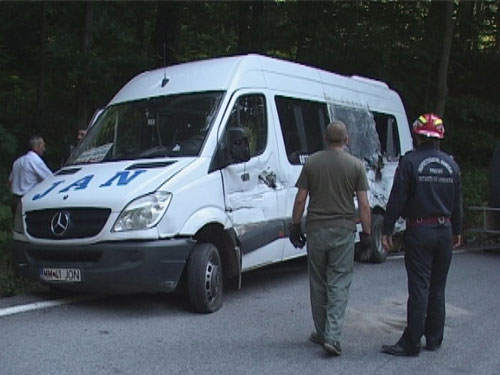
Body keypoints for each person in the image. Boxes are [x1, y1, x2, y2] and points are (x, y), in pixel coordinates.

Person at [381, 113, 462, 357]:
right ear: (439, 138)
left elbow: (397, 198)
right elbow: (457, 202)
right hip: (444, 230)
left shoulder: (410, 162)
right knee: (438, 287)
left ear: (417, 136)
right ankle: (435, 338)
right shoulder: (452, 165)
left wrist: (387, 229)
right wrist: (457, 230)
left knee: (419, 287)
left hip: (420, 230)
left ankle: (412, 342)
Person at [290, 120, 372, 356]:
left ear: (325, 139)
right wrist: (366, 234)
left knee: (318, 282)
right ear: (347, 140)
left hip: (316, 229)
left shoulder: (312, 163)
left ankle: (322, 331)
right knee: (338, 282)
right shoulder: (356, 166)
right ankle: (333, 336)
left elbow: (300, 199)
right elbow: (364, 205)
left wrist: (296, 226)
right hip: (344, 230)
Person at [9, 135, 53, 215]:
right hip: (27, 201)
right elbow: (50, 179)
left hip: (15, 200)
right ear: (37, 147)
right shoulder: (35, 161)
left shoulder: (17, 161)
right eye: (42, 146)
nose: (44, 149)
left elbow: (10, 180)